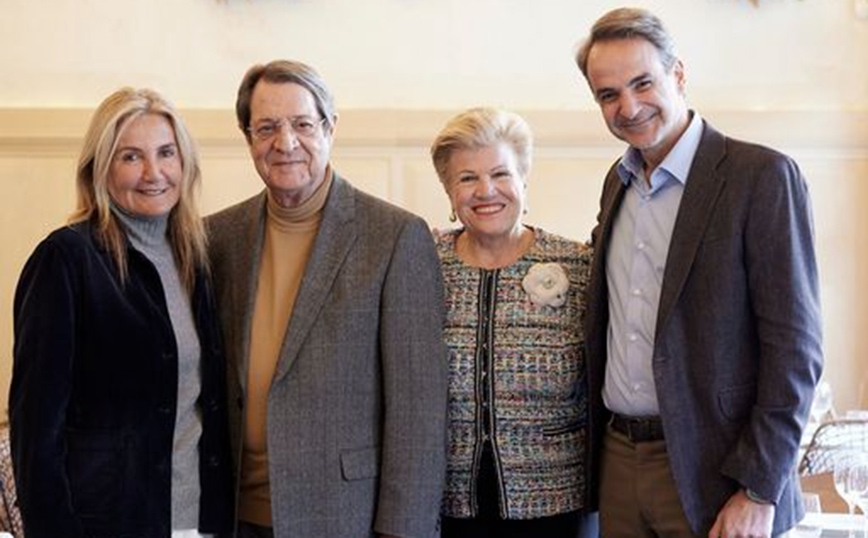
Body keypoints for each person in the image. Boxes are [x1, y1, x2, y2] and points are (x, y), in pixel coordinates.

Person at [574, 7, 823, 538]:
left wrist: (759, 488)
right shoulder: (617, 182)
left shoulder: (761, 176)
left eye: (643, 83)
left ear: (679, 74)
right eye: (609, 95)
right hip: (617, 461)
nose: (629, 107)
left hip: (716, 470)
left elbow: (795, 349)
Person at [206, 59, 448, 538]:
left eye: (302, 124)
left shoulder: (394, 236)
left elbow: (418, 411)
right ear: (248, 138)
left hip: (344, 515)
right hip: (233, 514)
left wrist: (403, 531)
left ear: (330, 127)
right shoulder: (217, 237)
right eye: (267, 128)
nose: (285, 143)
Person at [9, 88, 234, 538]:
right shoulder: (66, 260)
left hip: (197, 520)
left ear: (185, 162)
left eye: (166, 153)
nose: (154, 173)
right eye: (131, 157)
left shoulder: (196, 258)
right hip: (106, 523)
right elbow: (35, 429)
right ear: (100, 169)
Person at [429, 107, 596, 538]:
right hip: (449, 508)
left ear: (524, 179)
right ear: (449, 191)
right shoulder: (424, 264)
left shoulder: (578, 265)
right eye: (467, 178)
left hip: (558, 505)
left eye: (501, 174)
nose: (486, 190)